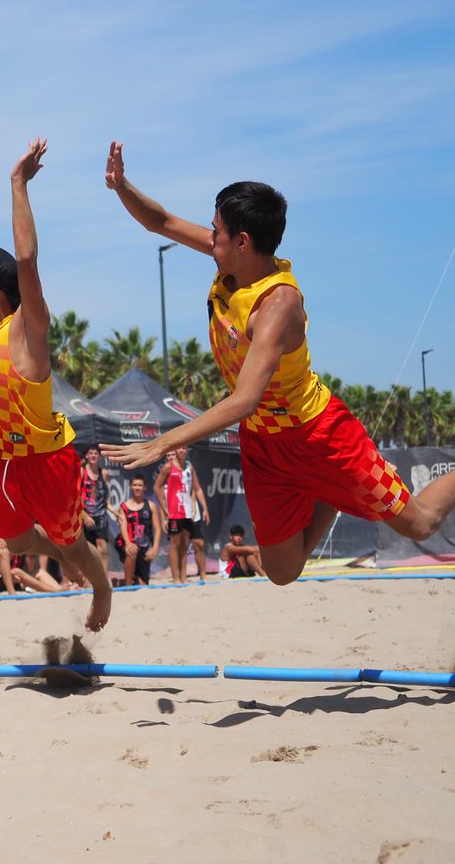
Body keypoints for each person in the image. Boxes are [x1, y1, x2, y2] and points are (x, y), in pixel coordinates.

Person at [102, 141, 455, 583]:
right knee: (282, 573)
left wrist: (163, 442)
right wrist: (121, 186)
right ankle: (329, 495)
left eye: (217, 231)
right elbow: (161, 221)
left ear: (243, 242)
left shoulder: (278, 304)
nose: (210, 237)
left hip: (319, 435)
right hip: (265, 444)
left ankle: (331, 485)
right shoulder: (227, 261)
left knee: (420, 523)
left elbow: (245, 400)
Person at [0, 122, 111, 631]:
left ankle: (101, 586)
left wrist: (19, 184)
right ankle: (64, 560)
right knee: (14, 542)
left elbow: (27, 260)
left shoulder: (27, 330)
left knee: (71, 544)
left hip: (48, 461)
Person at [154, 447, 210, 583]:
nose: (181, 451)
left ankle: (183, 577)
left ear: (187, 451)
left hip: (187, 511)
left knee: (185, 544)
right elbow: (157, 487)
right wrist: (164, 507)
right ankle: (176, 578)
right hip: (174, 511)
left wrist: (204, 509)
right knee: (175, 543)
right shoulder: (168, 467)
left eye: (184, 448)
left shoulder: (190, 468)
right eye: (178, 448)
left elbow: (196, 489)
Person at [114, 475, 163, 586]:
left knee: (143, 584)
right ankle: (127, 586)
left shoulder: (151, 506)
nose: (137, 488)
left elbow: (158, 528)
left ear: (145, 487)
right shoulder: (124, 506)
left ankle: (118, 583)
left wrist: (155, 548)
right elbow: (123, 527)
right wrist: (128, 543)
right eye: (135, 485)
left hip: (144, 546)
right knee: (132, 551)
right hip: (126, 543)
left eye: (140, 485)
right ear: (131, 487)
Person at [79, 444, 113, 577]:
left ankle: (104, 579)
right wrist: (84, 515)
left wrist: (116, 513)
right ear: (87, 455)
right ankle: (86, 580)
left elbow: (103, 498)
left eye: (96, 453)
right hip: (84, 515)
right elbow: (74, 495)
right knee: (85, 550)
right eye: (91, 453)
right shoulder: (82, 472)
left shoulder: (104, 473)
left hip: (100, 515)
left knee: (102, 548)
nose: (93, 456)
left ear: (99, 456)